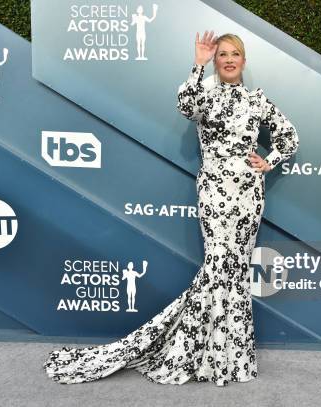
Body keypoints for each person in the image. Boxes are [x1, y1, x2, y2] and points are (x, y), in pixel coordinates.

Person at [42, 31, 299, 387]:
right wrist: (197, 63)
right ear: (216, 60)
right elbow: (185, 105)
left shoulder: (258, 102)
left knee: (236, 273)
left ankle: (230, 359)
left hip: (248, 196)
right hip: (214, 193)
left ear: (244, 61)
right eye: (221, 54)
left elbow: (289, 136)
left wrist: (268, 160)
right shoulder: (205, 97)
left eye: (234, 54)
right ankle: (193, 352)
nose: (228, 59)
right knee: (216, 267)